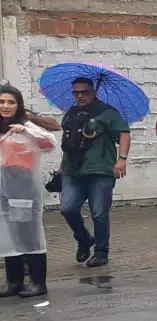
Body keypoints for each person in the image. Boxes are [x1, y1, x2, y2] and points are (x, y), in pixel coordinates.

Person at [57, 76, 131, 267]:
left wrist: (122, 159)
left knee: (99, 213)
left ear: (93, 91)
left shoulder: (107, 112)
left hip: (100, 169)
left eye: (84, 92)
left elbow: (124, 133)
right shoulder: (71, 113)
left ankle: (101, 252)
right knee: (68, 208)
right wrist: (61, 167)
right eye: (76, 93)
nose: (80, 96)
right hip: (72, 170)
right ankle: (83, 239)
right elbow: (68, 142)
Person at [0, 84, 57, 297]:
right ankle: (14, 282)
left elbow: (49, 143)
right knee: (9, 234)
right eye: (2, 101)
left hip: (22, 190)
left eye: (11, 102)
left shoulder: (25, 126)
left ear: (18, 105)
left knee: (29, 235)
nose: (6, 106)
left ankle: (38, 282)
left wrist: (28, 130)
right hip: (3, 191)